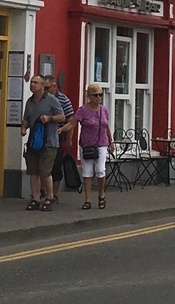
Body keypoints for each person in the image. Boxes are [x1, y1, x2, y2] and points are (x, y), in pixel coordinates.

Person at [62, 83, 114, 210]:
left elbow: (106, 126)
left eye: (100, 95)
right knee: (87, 171)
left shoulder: (104, 110)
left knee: (100, 170)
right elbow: (72, 123)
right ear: (89, 96)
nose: (98, 97)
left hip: (101, 143)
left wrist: (111, 141)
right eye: (95, 95)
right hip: (86, 144)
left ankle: (101, 195)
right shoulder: (83, 110)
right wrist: (61, 130)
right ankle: (88, 200)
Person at [20, 75, 65, 211]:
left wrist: (50, 118)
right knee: (33, 172)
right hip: (34, 141)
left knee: (45, 171)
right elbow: (26, 118)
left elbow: (62, 116)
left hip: (49, 141)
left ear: (42, 86)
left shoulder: (52, 100)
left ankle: (50, 197)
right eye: (31, 82)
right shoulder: (30, 102)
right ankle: (35, 199)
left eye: (35, 83)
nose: (32, 84)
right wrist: (24, 127)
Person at [43, 75, 74, 203]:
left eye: (47, 87)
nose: (44, 90)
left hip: (58, 136)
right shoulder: (40, 99)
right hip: (43, 136)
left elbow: (71, 121)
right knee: (43, 166)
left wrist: (68, 139)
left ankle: (54, 193)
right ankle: (42, 191)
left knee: (56, 165)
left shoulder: (63, 100)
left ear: (54, 86)